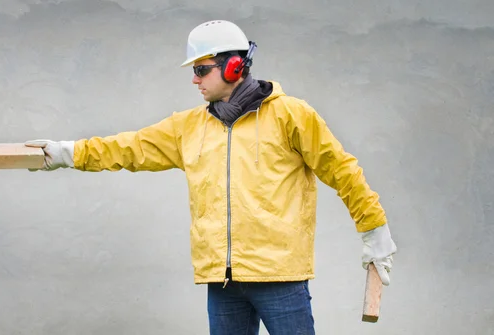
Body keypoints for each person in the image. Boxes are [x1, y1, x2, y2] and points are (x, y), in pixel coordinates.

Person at [25, 20, 397, 335]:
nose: (194, 79)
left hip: (279, 278)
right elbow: (128, 148)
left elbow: (341, 170)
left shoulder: (291, 116)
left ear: (234, 66)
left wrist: (374, 231)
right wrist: (65, 153)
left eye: (201, 69)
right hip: (222, 282)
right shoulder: (189, 128)